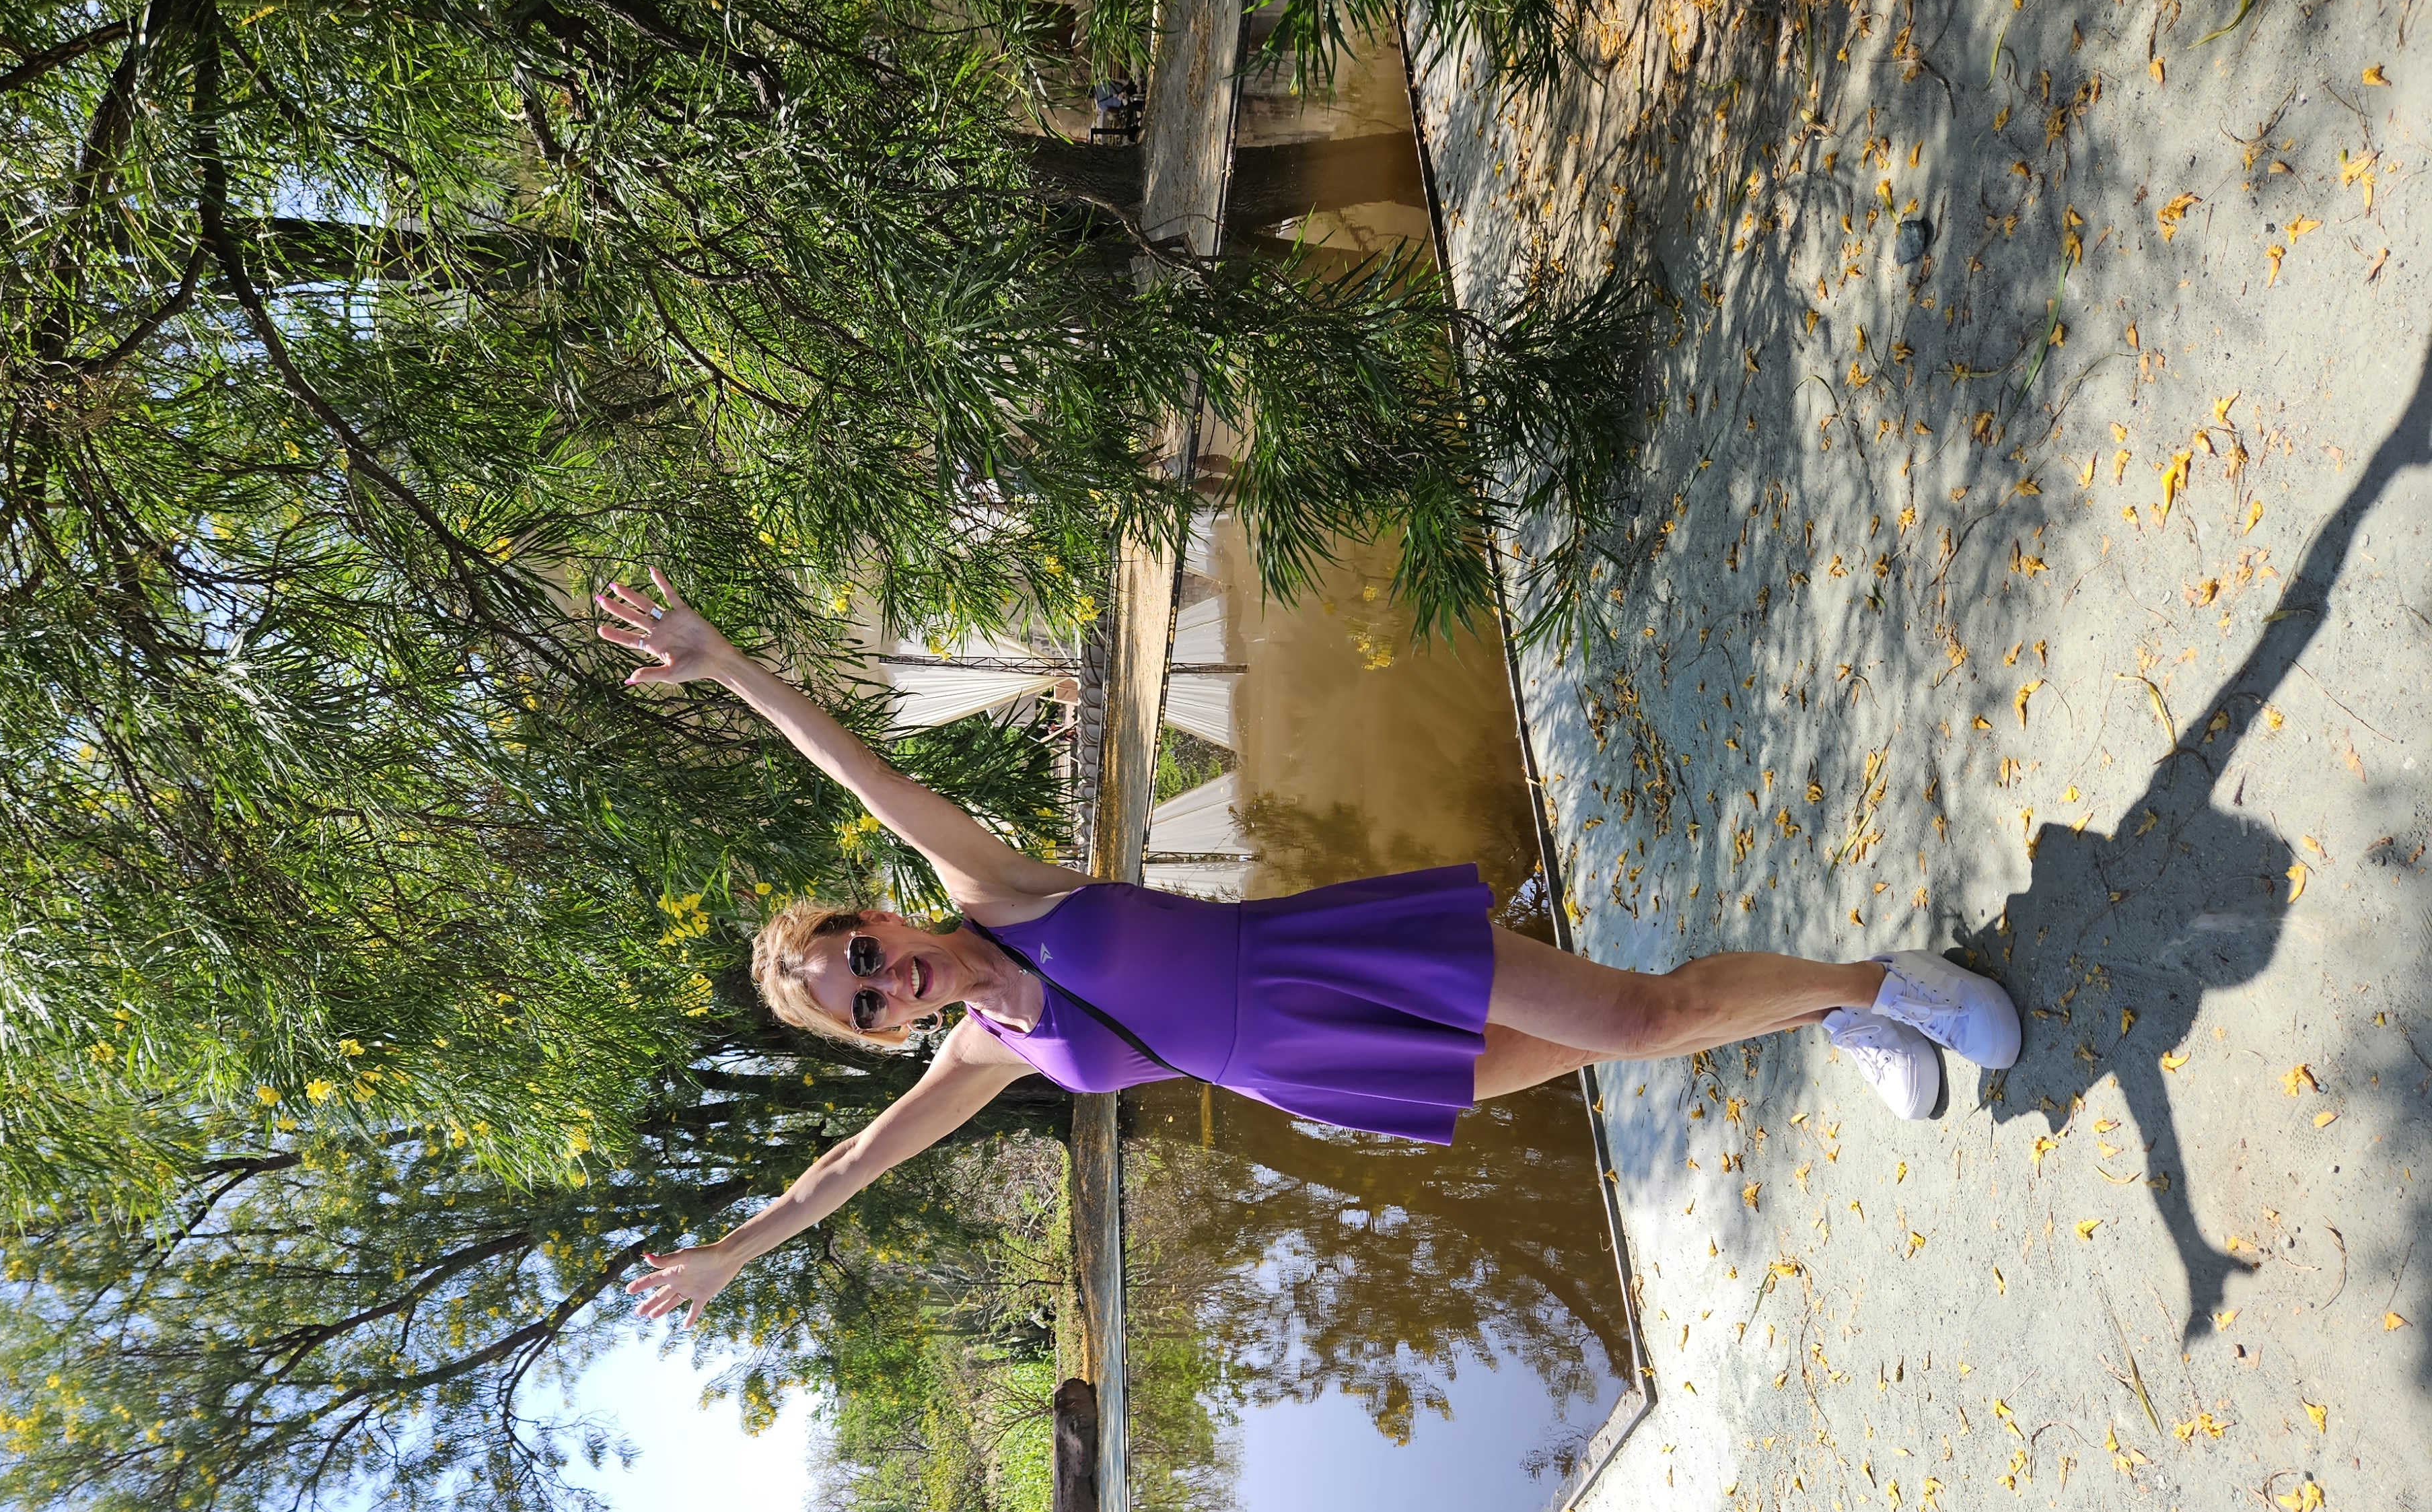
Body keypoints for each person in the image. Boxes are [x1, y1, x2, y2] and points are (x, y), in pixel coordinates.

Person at [596, 569, 2020, 1328]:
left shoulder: (987, 887)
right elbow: (845, 1168)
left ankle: (1882, 987)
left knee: (1638, 1022)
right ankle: (1829, 1018)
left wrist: (724, 667)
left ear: (882, 915)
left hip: (1338, 965)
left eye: (861, 949)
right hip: (1319, 1070)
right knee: (1610, 1051)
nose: (881, 979)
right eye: (862, 1004)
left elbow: (853, 765)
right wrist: (737, 1248)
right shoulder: (979, 1058)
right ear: (882, 1033)